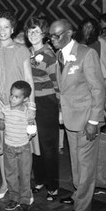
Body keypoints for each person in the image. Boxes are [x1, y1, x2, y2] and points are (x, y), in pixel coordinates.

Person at [49, 18, 105, 211]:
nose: (52, 39)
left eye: (56, 35)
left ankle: (83, 206)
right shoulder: (59, 55)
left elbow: (98, 89)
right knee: (75, 161)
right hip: (71, 119)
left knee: (86, 164)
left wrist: (93, 122)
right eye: (51, 36)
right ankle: (77, 194)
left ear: (69, 33)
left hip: (86, 119)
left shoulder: (87, 54)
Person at [0, 10, 35, 200]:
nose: (2, 31)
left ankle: (25, 189)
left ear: (12, 28)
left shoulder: (21, 49)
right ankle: (6, 183)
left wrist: (31, 106)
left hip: (19, 106)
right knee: (3, 146)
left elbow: (28, 78)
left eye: (6, 27)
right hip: (0, 105)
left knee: (22, 150)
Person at [25, 16, 60, 201]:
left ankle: (53, 186)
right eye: (30, 31)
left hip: (47, 102)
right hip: (30, 102)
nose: (32, 34)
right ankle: (39, 179)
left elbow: (57, 83)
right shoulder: (26, 53)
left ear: (44, 34)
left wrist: (60, 108)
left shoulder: (49, 54)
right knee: (33, 143)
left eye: (36, 31)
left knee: (48, 146)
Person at [0, 81, 37, 211]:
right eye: (11, 95)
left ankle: (25, 201)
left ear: (25, 99)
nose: (12, 99)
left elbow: (32, 131)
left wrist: (31, 130)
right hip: (9, 147)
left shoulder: (27, 113)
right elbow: (1, 128)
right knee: (10, 174)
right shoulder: (5, 110)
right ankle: (14, 198)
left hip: (24, 148)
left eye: (17, 97)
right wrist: (1, 120)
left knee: (25, 175)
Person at [75, 18, 106, 86]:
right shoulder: (79, 41)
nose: (87, 29)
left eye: (90, 27)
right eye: (85, 26)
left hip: (100, 75)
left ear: (94, 29)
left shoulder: (99, 42)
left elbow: (93, 59)